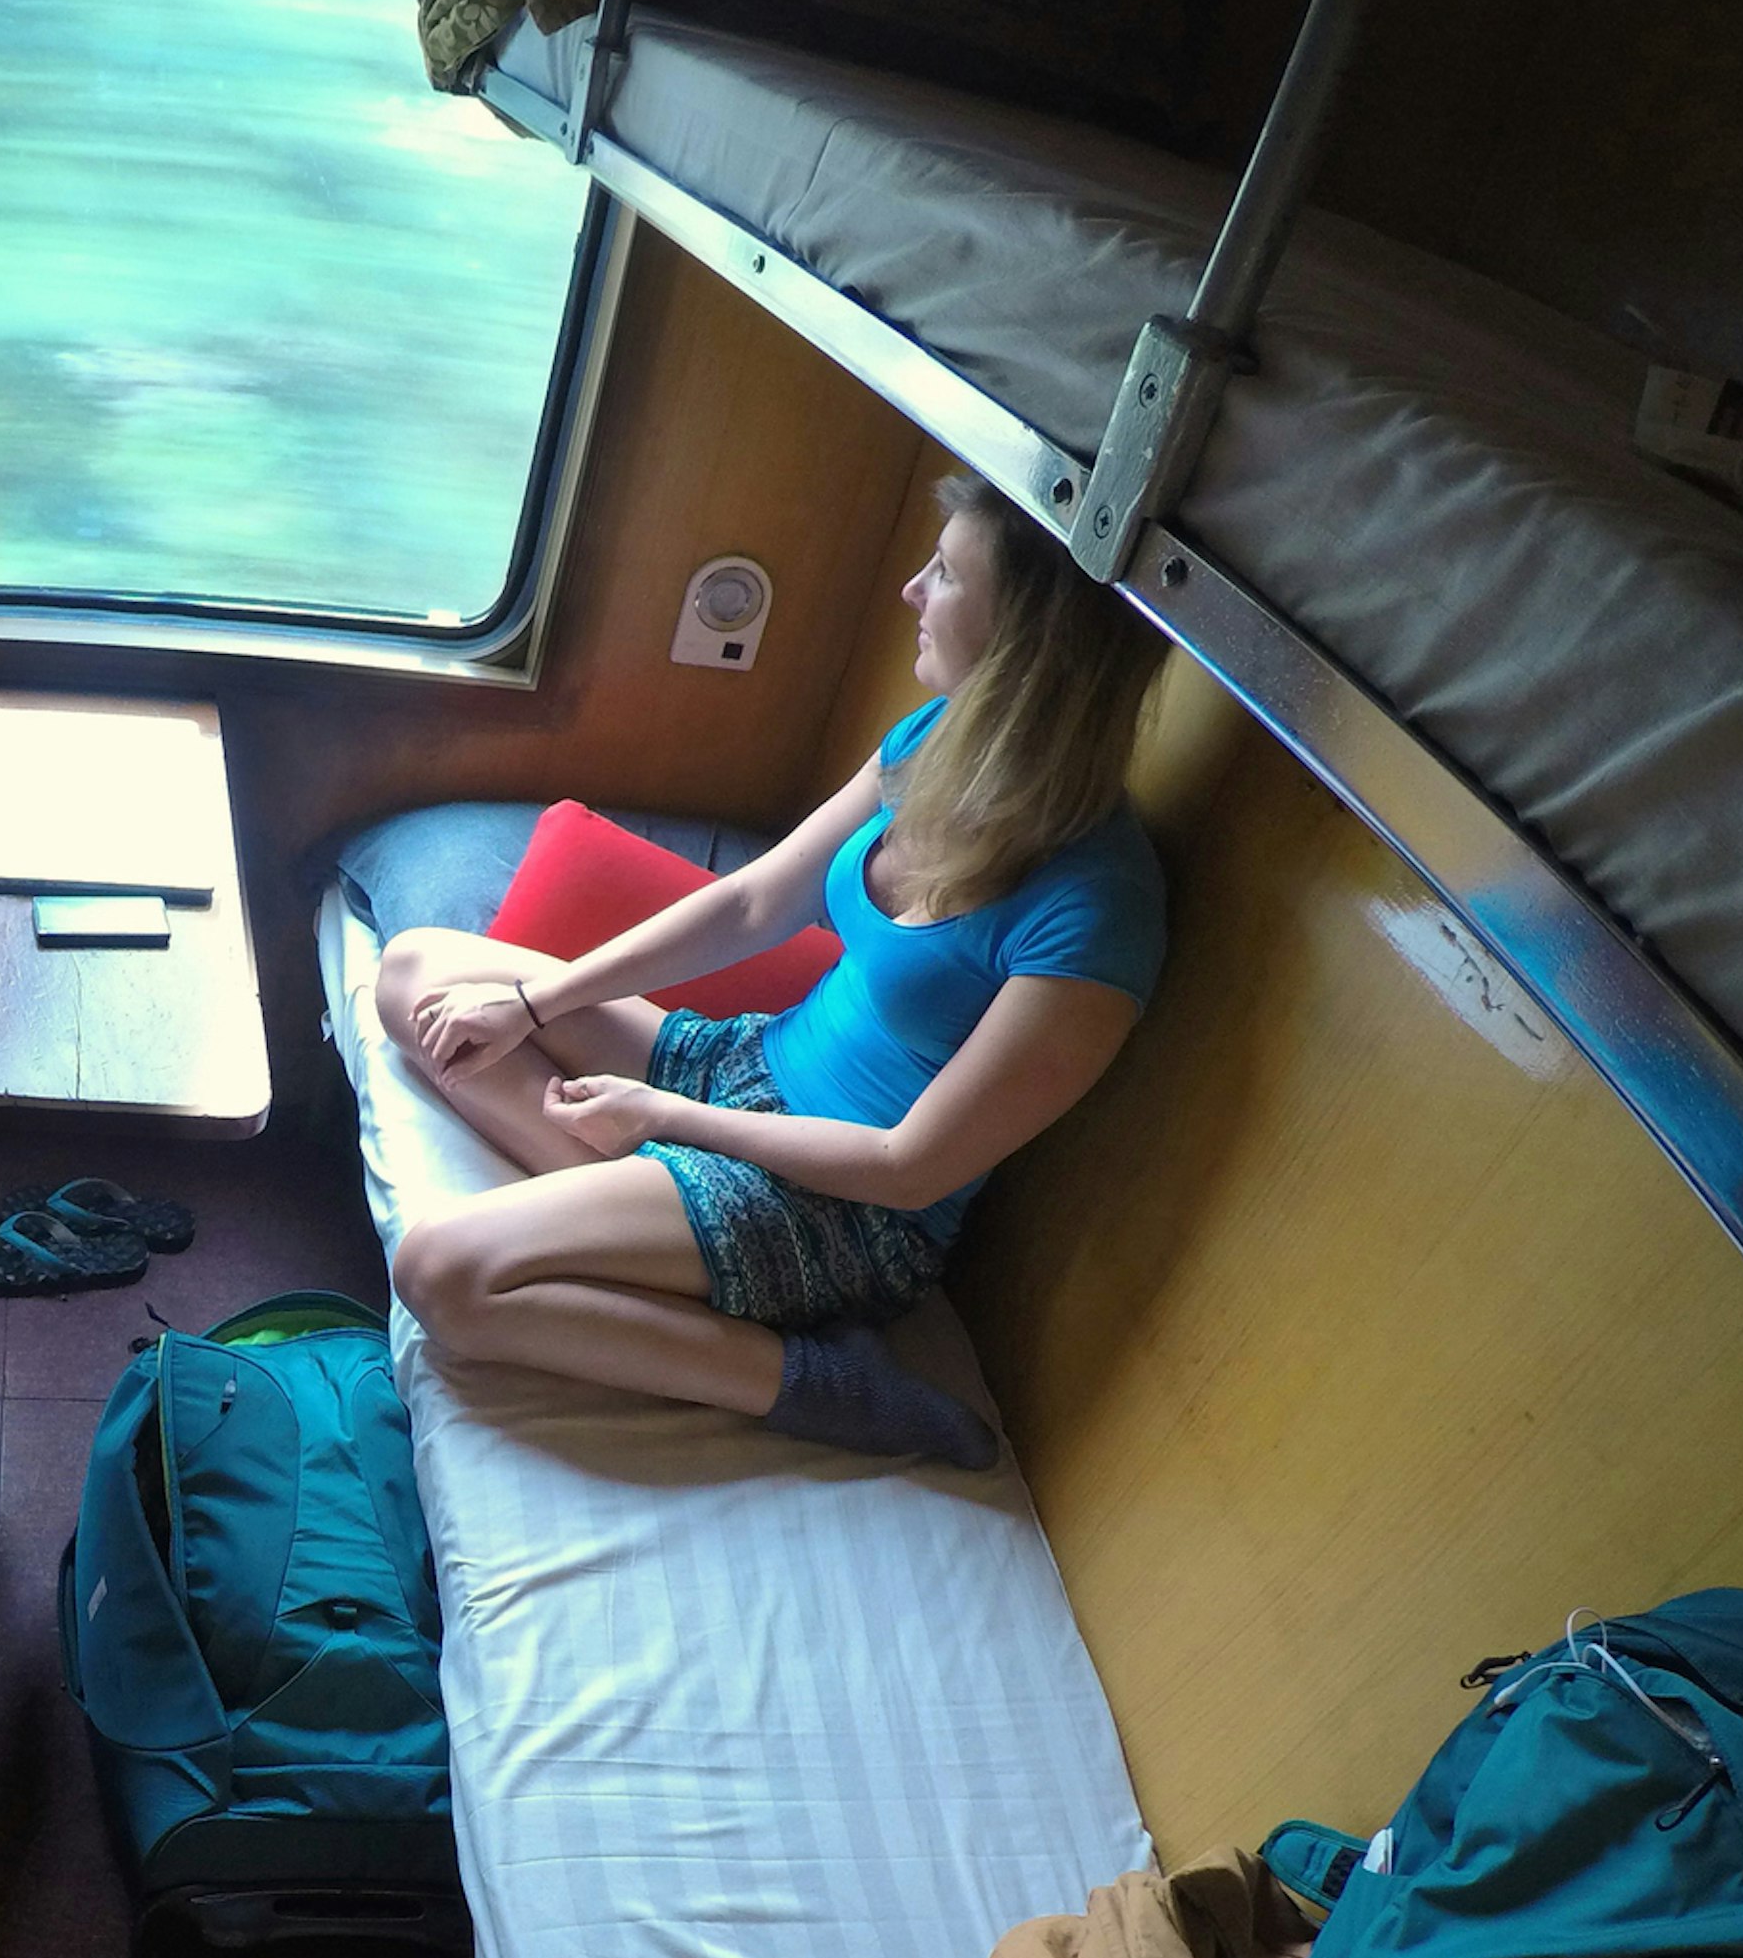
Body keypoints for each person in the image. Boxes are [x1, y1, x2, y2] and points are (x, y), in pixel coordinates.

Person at [373, 473, 1169, 1470]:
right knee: (416, 973)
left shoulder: (1099, 912)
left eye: (947, 575)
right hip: (744, 1069)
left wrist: (662, 1121)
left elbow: (910, 1167)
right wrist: (535, 999)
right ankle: (649, 1217)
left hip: (840, 1210)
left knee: (442, 1274)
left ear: (1029, 650)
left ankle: (810, 1383)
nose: (912, 594)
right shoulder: (931, 744)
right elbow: (750, 904)